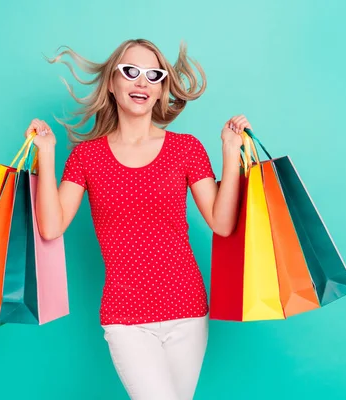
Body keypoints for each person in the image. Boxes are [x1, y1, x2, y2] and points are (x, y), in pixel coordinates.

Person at [25, 38, 252, 400]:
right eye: (130, 72)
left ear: (162, 88)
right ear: (112, 84)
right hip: (125, 316)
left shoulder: (187, 148)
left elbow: (222, 224)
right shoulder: (86, 157)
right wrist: (47, 155)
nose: (142, 82)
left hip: (188, 311)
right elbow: (51, 228)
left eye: (153, 75)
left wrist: (229, 151)